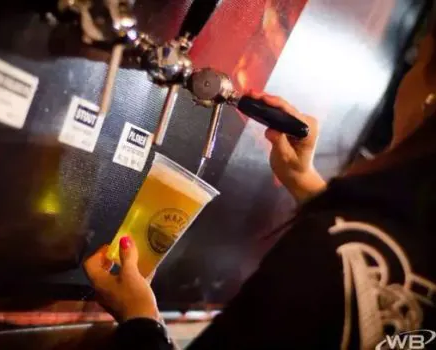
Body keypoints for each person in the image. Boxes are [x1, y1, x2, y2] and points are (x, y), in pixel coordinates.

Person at [84, 13, 436, 350]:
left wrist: (140, 320)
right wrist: (305, 184)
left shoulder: (335, 257)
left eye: (418, 61)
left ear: (429, 99)